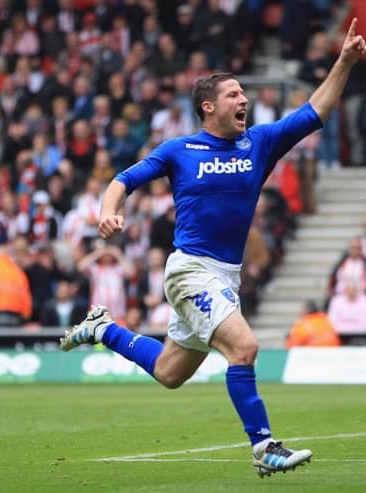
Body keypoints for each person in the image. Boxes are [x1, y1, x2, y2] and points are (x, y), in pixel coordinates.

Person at [60, 18, 366, 479]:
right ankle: (264, 447)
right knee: (243, 347)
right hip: (190, 270)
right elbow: (123, 180)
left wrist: (343, 62)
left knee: (169, 372)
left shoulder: (258, 142)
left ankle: (103, 330)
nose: (243, 100)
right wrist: (108, 210)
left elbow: (315, 111)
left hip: (226, 274)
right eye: (233, 95)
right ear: (208, 107)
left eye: (243, 94)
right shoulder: (180, 150)